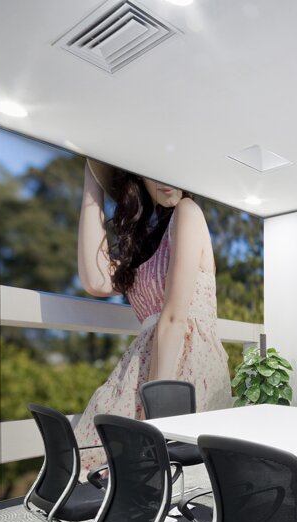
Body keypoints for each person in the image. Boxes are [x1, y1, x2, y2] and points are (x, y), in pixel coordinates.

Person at [72, 159, 231, 469]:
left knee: (145, 463)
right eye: (152, 171)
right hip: (145, 368)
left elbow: (174, 318)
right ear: (138, 179)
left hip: (182, 369)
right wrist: (94, 176)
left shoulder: (188, 212)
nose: (164, 180)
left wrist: (154, 411)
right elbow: (95, 280)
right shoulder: (146, 241)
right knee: (109, 461)